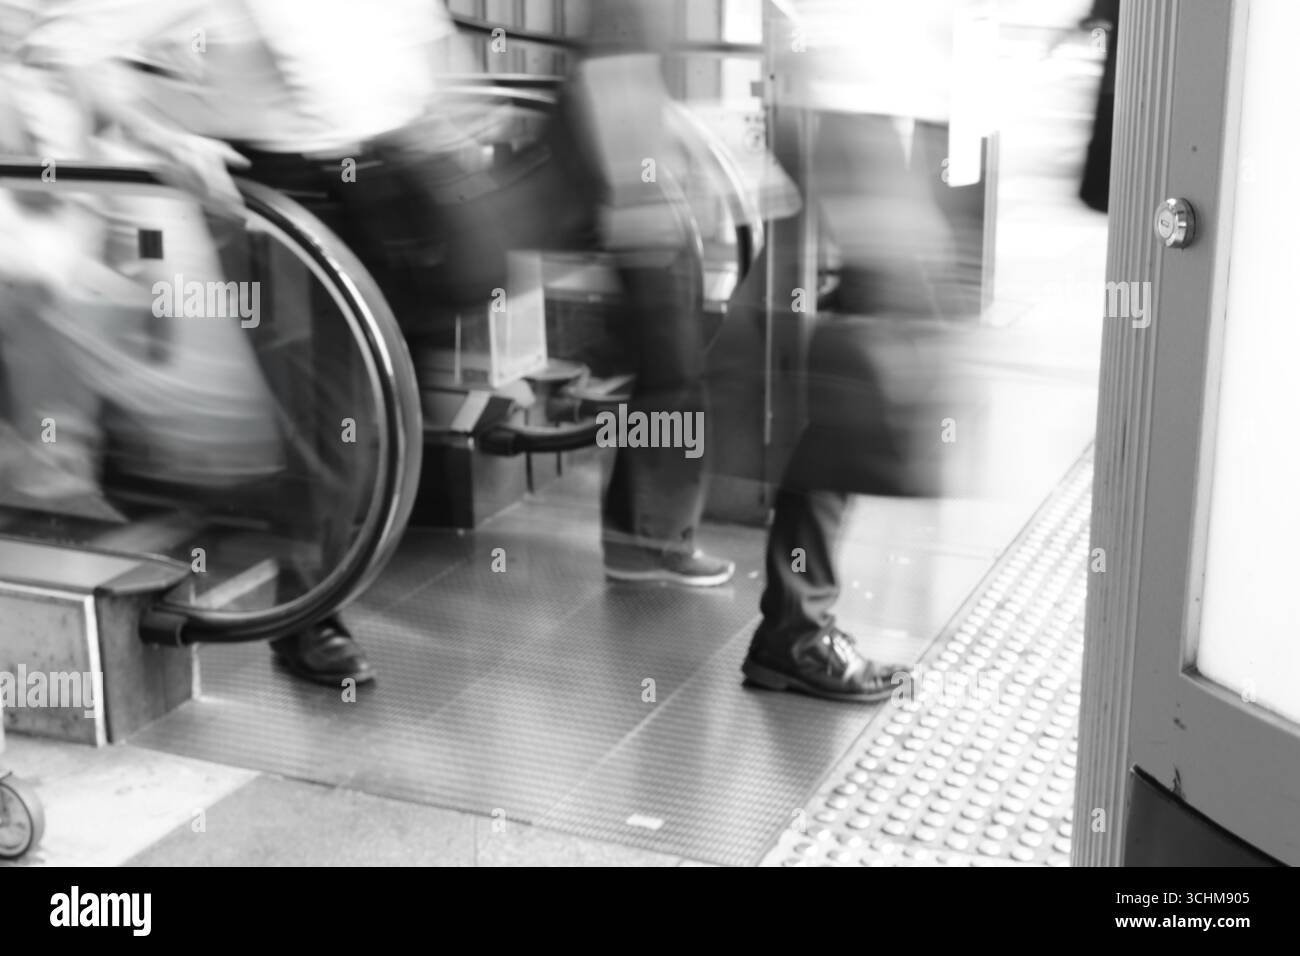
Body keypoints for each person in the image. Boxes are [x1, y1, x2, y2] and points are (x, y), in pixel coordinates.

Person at [739, 0, 970, 701]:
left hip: (868, 95)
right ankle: (793, 631)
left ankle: (793, 625)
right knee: (870, 375)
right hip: (849, 92)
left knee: (866, 368)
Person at [559, 0, 735, 587]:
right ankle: (652, 541)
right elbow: (615, 83)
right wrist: (642, 200)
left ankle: (634, 539)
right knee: (673, 382)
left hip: (648, 211)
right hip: (644, 220)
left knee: (663, 382)